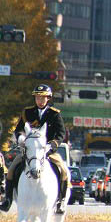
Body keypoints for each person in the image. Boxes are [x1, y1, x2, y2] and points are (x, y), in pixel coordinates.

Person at [0, 84, 69, 214]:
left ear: (48, 98)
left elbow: (60, 134)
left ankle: (61, 201)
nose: (40, 100)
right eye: (38, 97)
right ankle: (7, 200)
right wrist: (20, 138)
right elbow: (19, 129)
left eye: (43, 98)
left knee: (63, 171)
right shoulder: (27, 112)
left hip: (47, 151)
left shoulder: (54, 114)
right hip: (30, 151)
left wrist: (51, 145)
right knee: (11, 170)